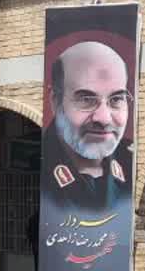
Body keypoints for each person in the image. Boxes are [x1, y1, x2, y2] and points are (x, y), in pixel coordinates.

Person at [42, 40, 133, 213]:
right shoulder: (38, 164)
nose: (104, 119)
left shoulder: (132, 162)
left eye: (116, 99)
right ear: (55, 101)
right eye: (86, 99)